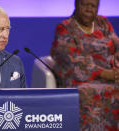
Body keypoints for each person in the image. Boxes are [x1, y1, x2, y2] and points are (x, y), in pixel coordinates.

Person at [50, 0, 119, 130]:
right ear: (76, 4)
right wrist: (105, 74)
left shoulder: (103, 23)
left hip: (111, 76)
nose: (88, 9)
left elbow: (116, 43)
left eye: (93, 6)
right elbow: (70, 59)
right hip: (80, 80)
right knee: (88, 93)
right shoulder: (65, 27)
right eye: (84, 4)